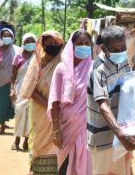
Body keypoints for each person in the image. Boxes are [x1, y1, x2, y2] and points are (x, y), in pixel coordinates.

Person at [87, 25, 135, 175]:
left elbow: (128, 87)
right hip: (103, 136)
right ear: (104, 48)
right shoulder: (99, 70)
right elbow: (103, 105)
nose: (120, 52)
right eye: (116, 49)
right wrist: (121, 134)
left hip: (120, 131)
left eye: (122, 48)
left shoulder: (123, 60)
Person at [48, 30, 93, 175]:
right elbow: (55, 101)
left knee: (86, 166)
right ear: (71, 46)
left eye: (87, 43)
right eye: (80, 43)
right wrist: (56, 130)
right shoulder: (62, 69)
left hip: (87, 129)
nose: (84, 46)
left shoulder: (95, 69)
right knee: (64, 166)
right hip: (66, 128)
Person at [20, 30, 64, 175]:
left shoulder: (64, 62)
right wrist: (50, 107)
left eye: (55, 43)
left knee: (58, 147)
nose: (53, 45)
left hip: (62, 115)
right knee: (40, 144)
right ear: (43, 44)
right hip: (42, 112)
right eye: (49, 43)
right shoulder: (37, 62)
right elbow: (30, 90)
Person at [0, 28, 20, 134]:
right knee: (1, 103)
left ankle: (8, 123)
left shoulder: (16, 50)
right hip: (1, 81)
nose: (7, 38)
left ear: (12, 37)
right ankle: (1, 126)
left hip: (14, 81)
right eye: (4, 36)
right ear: (1, 38)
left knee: (11, 103)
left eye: (9, 36)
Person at [10, 33, 37, 151]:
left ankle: (26, 141)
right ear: (23, 43)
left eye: (32, 41)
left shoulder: (38, 57)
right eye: (27, 41)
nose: (30, 44)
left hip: (33, 91)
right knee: (19, 114)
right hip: (20, 89)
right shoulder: (18, 57)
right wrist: (11, 89)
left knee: (30, 116)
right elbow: (13, 75)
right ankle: (16, 140)